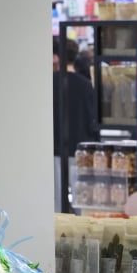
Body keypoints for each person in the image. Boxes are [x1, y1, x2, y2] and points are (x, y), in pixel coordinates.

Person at [53, 37, 99, 213]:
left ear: (56, 57)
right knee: (83, 204)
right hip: (82, 151)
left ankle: (55, 239)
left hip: (54, 150)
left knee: (56, 204)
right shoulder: (87, 85)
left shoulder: (48, 83)